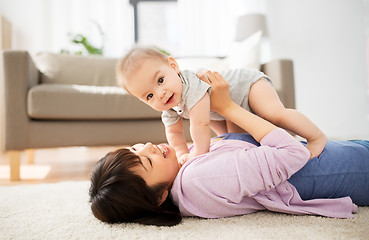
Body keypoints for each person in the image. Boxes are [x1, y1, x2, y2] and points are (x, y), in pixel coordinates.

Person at [89, 70, 369, 226]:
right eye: (146, 161)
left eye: (137, 148)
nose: (149, 147)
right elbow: (292, 153)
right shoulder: (200, 181)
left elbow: (235, 146)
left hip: (342, 158)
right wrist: (227, 107)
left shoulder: (186, 174)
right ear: (161, 196)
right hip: (352, 168)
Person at [116, 46, 327, 164]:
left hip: (248, 85)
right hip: (227, 109)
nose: (160, 94)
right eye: (149, 96)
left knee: (274, 114)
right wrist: (180, 155)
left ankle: (316, 136)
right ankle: (286, 146)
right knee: (236, 140)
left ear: (173, 66)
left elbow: (200, 126)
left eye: (160, 80)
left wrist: (198, 153)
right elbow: (174, 135)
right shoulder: (170, 107)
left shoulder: (191, 86)